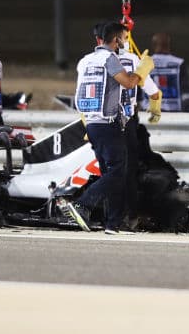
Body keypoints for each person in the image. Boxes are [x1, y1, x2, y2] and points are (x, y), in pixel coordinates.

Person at [65, 21, 153, 234]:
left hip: (91, 123)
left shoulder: (85, 60)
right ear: (115, 40)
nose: (124, 42)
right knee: (117, 172)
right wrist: (142, 70)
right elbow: (129, 83)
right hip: (108, 124)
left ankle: (112, 223)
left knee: (112, 173)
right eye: (123, 38)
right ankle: (82, 204)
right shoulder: (109, 59)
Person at [107, 24, 162, 229]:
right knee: (128, 170)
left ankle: (108, 213)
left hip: (103, 120)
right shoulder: (134, 60)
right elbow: (154, 93)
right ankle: (128, 215)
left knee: (107, 168)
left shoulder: (98, 59)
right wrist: (155, 110)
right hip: (127, 121)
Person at [150, 32, 189, 112]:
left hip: (149, 112)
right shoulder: (179, 63)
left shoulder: (143, 63)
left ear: (153, 46)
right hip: (173, 113)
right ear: (169, 45)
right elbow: (186, 92)